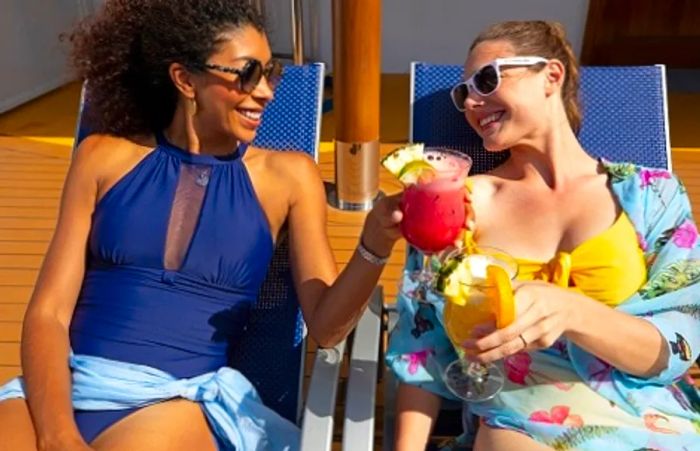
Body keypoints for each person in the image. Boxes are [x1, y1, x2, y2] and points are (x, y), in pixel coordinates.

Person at [0, 1, 402, 449]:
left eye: (271, 73)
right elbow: (48, 313)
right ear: (185, 79)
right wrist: (57, 435)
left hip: (171, 402)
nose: (267, 91)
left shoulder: (287, 178)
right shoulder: (102, 158)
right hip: (64, 385)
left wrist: (374, 244)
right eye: (247, 73)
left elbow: (326, 328)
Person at [387, 20, 700, 450]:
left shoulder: (651, 195)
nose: (472, 102)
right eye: (463, 95)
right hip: (521, 424)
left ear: (551, 75)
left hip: (648, 421)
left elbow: (677, 346)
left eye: (486, 79)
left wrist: (571, 310)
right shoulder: (456, 206)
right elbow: (420, 353)